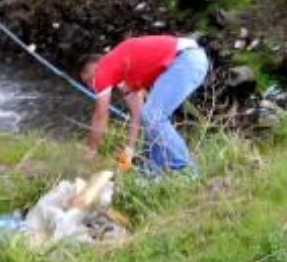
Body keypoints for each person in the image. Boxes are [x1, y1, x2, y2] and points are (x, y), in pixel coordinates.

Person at [78, 35, 209, 173]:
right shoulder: (125, 73)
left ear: (94, 68)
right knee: (151, 117)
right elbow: (137, 116)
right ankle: (155, 171)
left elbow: (100, 116)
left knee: (153, 115)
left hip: (185, 60)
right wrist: (128, 152)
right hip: (188, 61)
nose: (91, 86)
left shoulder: (103, 67)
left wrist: (90, 152)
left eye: (88, 80)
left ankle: (186, 169)